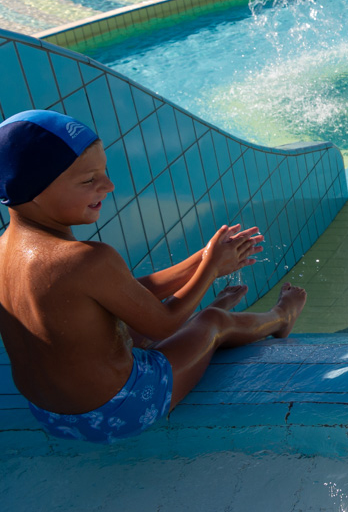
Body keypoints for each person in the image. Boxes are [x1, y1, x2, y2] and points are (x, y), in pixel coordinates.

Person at [0, 110, 307, 444]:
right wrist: (210, 270)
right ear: (34, 190)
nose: (109, 186)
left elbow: (122, 293)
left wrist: (204, 257)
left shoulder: (7, 249)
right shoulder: (85, 258)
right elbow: (163, 325)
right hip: (116, 412)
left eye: (104, 172)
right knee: (213, 323)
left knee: (125, 325)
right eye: (89, 180)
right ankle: (281, 317)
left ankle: (211, 308)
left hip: (48, 414)